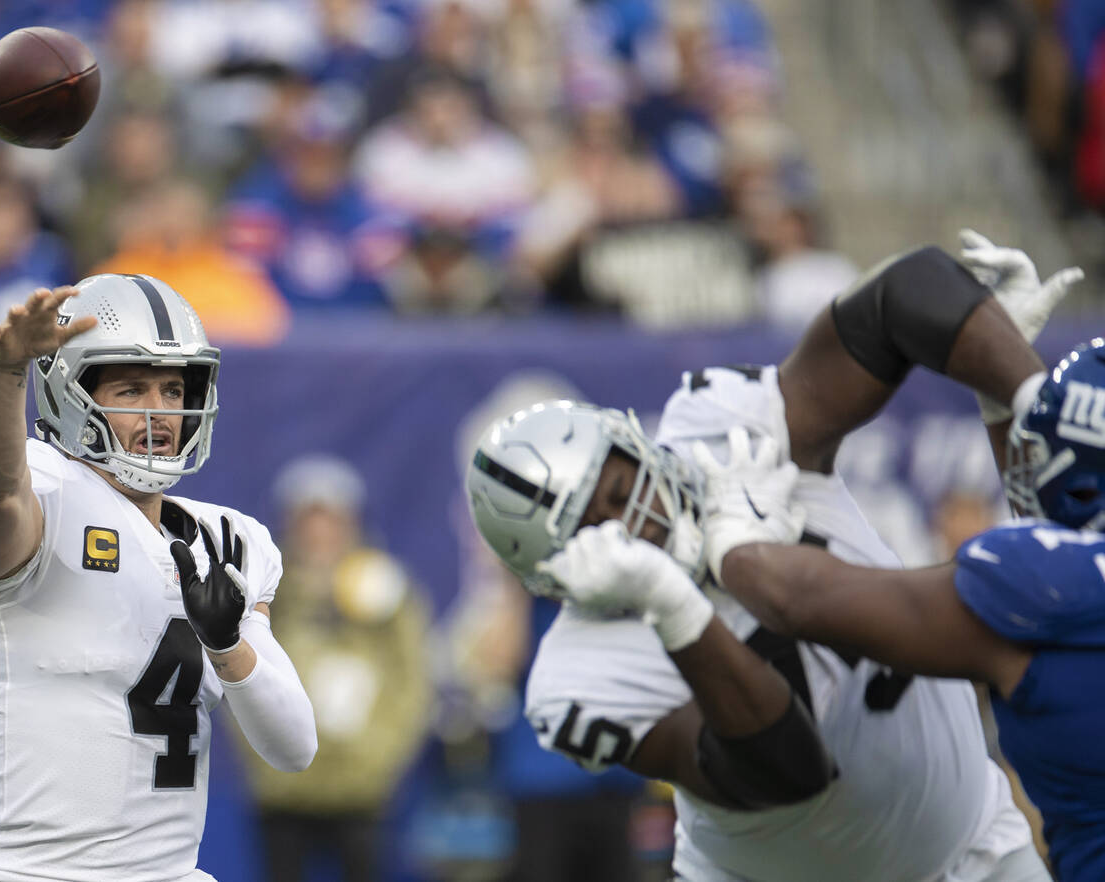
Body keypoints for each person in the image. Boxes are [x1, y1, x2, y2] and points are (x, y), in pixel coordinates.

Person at [464, 233, 1077, 880]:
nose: (631, 523)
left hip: (976, 848)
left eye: (620, 490)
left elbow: (903, 295)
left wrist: (1027, 395)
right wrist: (698, 599)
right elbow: (786, 770)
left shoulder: (719, 432)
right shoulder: (578, 681)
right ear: (549, 580)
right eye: (592, 530)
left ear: (634, 442)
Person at [693, 329, 1105, 878]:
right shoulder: (1062, 589)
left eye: (1045, 455)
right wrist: (1002, 399)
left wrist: (733, 532)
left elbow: (799, 598)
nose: (1024, 470)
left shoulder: (1049, 586)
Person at [0, 275, 319, 882]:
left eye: (174, 389)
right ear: (70, 396)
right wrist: (5, 369)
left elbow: (293, 748)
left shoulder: (230, 542)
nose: (161, 411)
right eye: (131, 388)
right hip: (24, 873)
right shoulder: (47, 497)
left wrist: (228, 648)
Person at [242, 455, 432, 882]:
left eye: (331, 519)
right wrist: (265, 756)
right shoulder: (267, 590)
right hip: (283, 789)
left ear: (351, 523)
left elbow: (413, 680)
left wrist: (379, 758)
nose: (320, 532)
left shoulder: (387, 590)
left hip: (360, 786)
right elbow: (241, 673)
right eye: (309, 519)